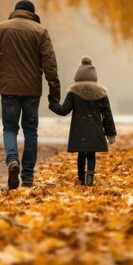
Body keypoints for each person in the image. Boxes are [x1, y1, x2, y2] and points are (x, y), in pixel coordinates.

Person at [0, 0, 60, 189]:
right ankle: (27, 176)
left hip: (8, 89)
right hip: (32, 90)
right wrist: (54, 92)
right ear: (32, 13)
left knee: (10, 128)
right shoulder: (40, 31)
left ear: (15, 11)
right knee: (30, 131)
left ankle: (12, 161)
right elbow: (50, 65)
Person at [48, 56, 116, 186]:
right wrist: (110, 133)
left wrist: (52, 103)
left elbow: (63, 110)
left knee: (81, 153)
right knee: (91, 153)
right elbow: (107, 114)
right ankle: (90, 175)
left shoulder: (74, 92)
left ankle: (81, 176)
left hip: (79, 129)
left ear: (78, 75)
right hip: (95, 128)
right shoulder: (101, 92)